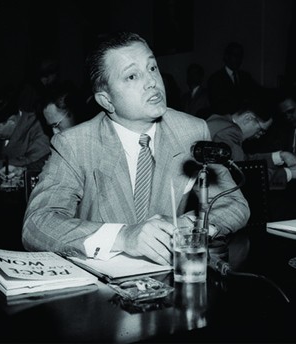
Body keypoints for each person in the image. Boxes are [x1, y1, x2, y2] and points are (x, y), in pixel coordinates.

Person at [22, 31, 250, 266]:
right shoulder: (75, 144)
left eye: (152, 68)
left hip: (171, 283)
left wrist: (190, 225)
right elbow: (37, 224)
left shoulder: (191, 131)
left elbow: (234, 204)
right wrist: (123, 237)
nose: (152, 81)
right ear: (106, 100)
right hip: (102, 290)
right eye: (132, 76)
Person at [206, 97, 296, 190]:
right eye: (260, 130)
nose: (259, 136)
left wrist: (280, 156)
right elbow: (242, 174)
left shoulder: (221, 121)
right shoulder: (230, 131)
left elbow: (243, 161)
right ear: (248, 118)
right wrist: (289, 173)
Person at [207, 42, 261, 115]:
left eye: (240, 56)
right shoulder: (215, 79)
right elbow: (218, 105)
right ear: (226, 57)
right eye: (235, 55)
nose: (238, 59)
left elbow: (255, 94)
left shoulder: (246, 77)